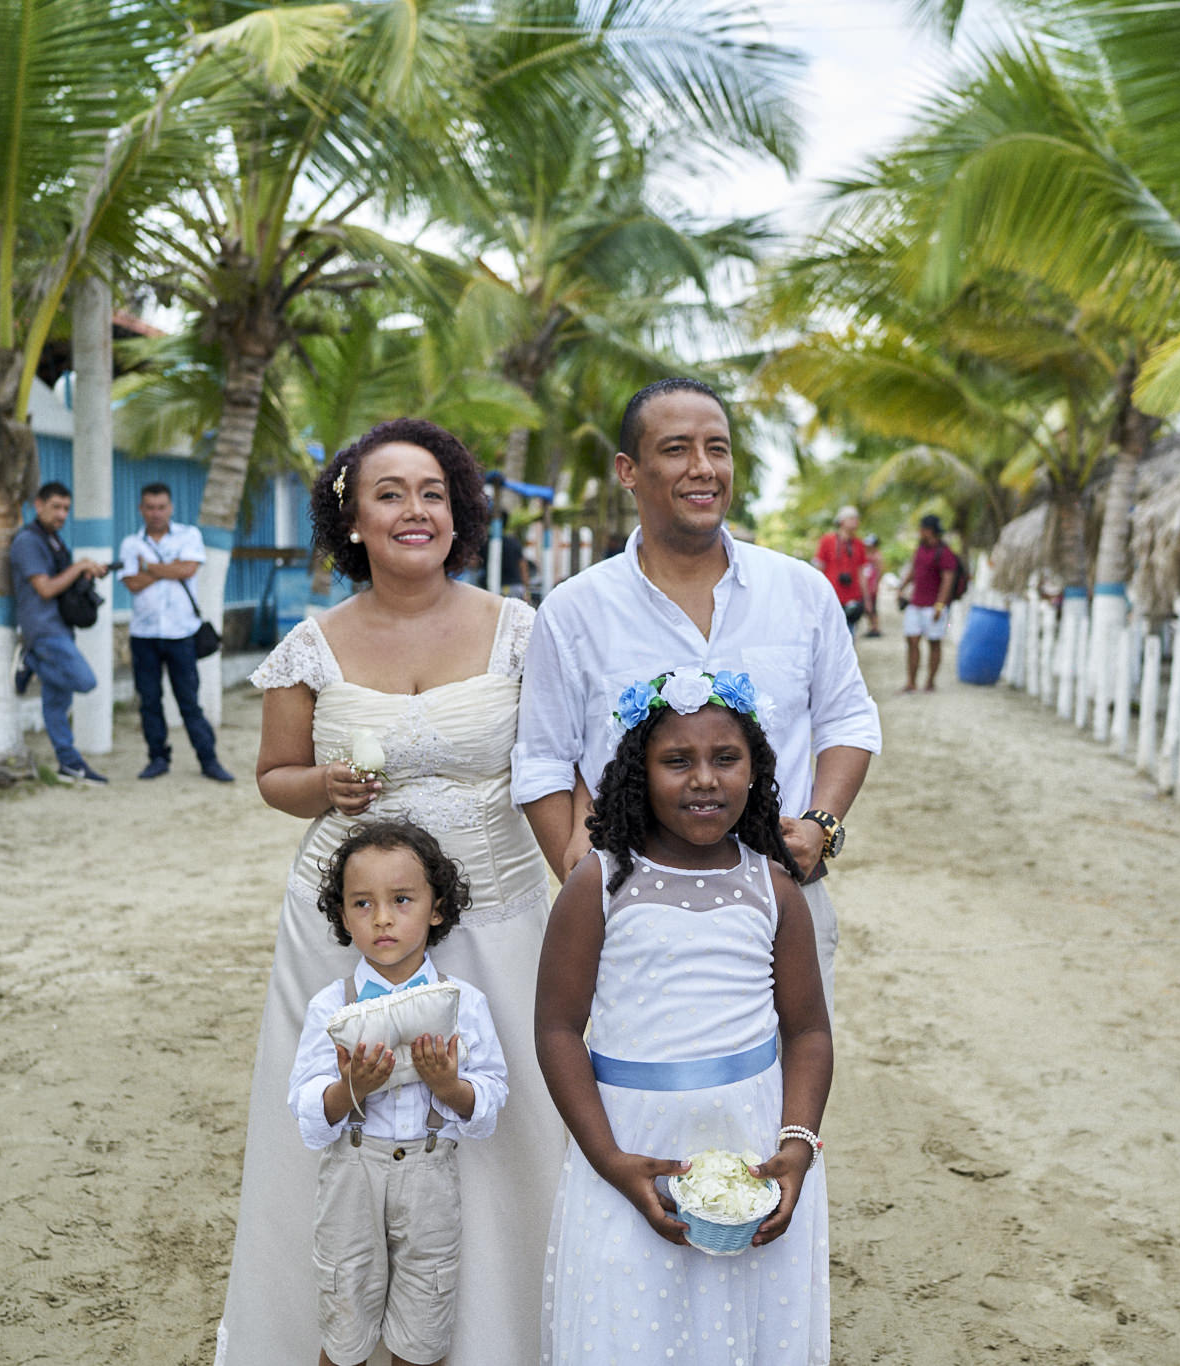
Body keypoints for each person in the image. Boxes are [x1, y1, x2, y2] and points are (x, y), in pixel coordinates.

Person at [218, 418, 557, 1366]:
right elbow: (274, 776)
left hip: (494, 920)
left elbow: (551, 775)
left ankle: (501, 1340)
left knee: (501, 1125)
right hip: (343, 930)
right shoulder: (310, 646)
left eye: (433, 493)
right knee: (336, 1128)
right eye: (390, 494)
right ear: (353, 520)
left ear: (460, 512)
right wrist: (324, 788)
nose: (416, 511)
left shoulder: (523, 631)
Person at [514, 378, 880, 1019]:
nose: (703, 468)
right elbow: (545, 757)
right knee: (638, 1094)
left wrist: (822, 826)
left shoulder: (801, 592)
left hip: (781, 897)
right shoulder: (574, 612)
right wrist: (581, 877)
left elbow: (847, 717)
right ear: (628, 470)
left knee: (786, 1078)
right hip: (630, 910)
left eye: (718, 448)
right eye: (678, 449)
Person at [536, 667, 832, 1364]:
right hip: (630, 1144)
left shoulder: (774, 886)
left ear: (756, 770)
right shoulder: (600, 882)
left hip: (751, 1142)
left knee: (743, 1319)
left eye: (726, 758)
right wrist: (608, 1158)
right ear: (639, 773)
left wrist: (798, 1144)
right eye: (677, 760)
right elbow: (555, 1029)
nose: (705, 779)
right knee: (631, 1315)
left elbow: (809, 1030)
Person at [289, 820, 508, 1366]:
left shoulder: (465, 1004)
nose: (382, 917)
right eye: (362, 903)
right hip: (352, 1177)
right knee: (345, 1324)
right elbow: (307, 1112)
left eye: (402, 899)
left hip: (431, 1179)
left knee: (424, 1325)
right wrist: (350, 1089)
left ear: (436, 908)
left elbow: (490, 1099)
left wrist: (448, 1086)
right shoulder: (329, 1006)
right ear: (343, 915)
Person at [118, 482, 233, 783]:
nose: (156, 513)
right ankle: (157, 758)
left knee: (189, 702)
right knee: (149, 700)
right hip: (144, 635)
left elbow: (188, 570)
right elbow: (131, 583)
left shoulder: (189, 535)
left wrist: (150, 568)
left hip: (182, 634)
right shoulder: (131, 544)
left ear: (170, 508)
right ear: (141, 509)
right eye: (150, 507)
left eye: (161, 507)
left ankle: (208, 759)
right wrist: (169, 567)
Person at [9, 481, 110, 785]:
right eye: (56, 507)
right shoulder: (28, 541)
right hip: (43, 630)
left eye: (66, 508)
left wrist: (85, 573)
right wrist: (79, 567)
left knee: (55, 706)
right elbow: (45, 587)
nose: (62, 514)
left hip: (60, 627)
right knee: (85, 680)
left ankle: (69, 764)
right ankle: (31, 661)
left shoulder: (53, 540)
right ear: (38, 505)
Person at [898, 514, 960, 693]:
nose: (920, 532)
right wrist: (902, 587)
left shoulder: (945, 553)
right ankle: (911, 681)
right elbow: (914, 570)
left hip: (933, 606)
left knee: (934, 642)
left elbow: (948, 580)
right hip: (916, 603)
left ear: (929, 530)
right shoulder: (920, 549)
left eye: (922, 528)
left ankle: (930, 681)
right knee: (912, 640)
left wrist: (940, 605)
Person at [813, 506, 868, 634]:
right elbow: (819, 568)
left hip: (853, 598)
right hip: (831, 595)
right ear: (842, 521)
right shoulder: (827, 540)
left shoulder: (859, 544)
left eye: (857, 519)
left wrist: (866, 600)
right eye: (852, 518)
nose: (856, 521)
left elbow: (862, 573)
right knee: (829, 634)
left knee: (849, 635)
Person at [859, 534, 883, 638]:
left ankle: (875, 627)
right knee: (867, 607)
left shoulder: (877, 556)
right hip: (865, 585)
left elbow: (879, 571)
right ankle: (871, 627)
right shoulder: (865, 554)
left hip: (871, 585)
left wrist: (875, 584)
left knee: (872, 607)